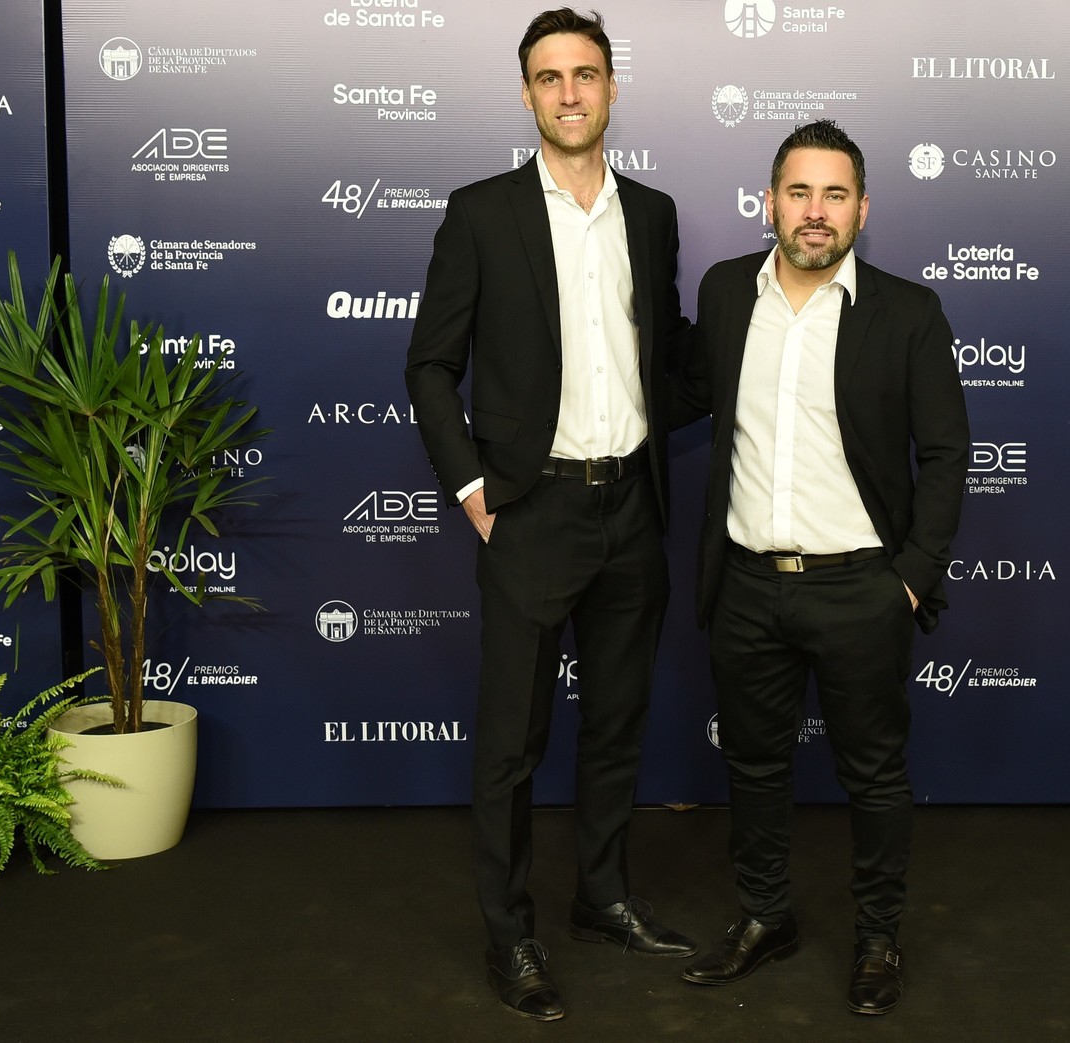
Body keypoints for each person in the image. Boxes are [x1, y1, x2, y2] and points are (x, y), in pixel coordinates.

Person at [404, 7, 698, 1022]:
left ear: (612, 88)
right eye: (548, 76)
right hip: (530, 513)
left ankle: (601, 897)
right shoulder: (480, 212)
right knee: (510, 744)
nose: (569, 92)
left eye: (585, 73)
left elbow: (666, 358)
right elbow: (430, 365)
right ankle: (509, 932)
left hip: (630, 509)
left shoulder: (650, 215)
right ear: (526, 94)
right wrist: (474, 491)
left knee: (615, 726)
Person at [677, 120, 968, 1016]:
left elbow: (947, 453)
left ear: (862, 209)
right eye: (798, 193)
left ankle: (878, 937)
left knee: (873, 775)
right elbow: (678, 394)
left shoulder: (907, 311)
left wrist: (909, 577)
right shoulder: (727, 293)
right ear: (769, 203)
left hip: (860, 589)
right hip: (747, 583)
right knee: (754, 767)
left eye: (833, 195)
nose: (814, 212)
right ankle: (766, 918)